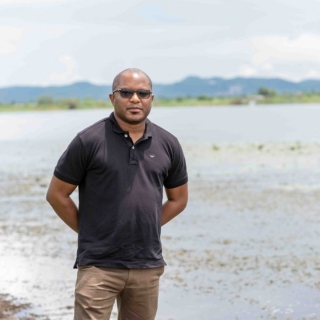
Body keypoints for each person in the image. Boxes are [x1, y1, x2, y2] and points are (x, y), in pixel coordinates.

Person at [46, 68, 188, 320]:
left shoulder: (168, 143)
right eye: (126, 92)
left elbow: (178, 199)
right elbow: (57, 194)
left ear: (151, 99)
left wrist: (149, 224)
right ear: (113, 98)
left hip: (147, 263)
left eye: (143, 93)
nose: (135, 99)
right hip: (98, 265)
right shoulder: (88, 141)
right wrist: (89, 229)